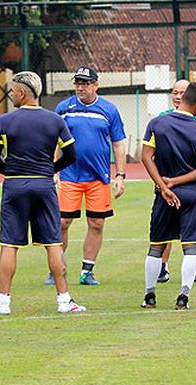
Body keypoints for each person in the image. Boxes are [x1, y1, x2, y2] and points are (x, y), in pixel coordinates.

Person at [0, 71, 85, 315]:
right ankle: (64, 301)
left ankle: (3, 302)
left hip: (15, 187)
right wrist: (50, 169)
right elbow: (71, 155)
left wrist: (12, 172)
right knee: (53, 244)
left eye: (12, 92)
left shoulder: (4, 122)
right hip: (44, 186)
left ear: (21, 93)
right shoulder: (55, 121)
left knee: (9, 244)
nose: (11, 96)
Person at [140, 82, 196, 309]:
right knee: (190, 247)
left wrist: (164, 186)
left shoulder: (156, 124)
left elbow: (145, 157)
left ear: (182, 99)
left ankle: (149, 296)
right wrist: (177, 182)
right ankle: (183, 297)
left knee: (156, 246)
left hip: (164, 195)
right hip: (191, 194)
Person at [53, 66, 126, 286]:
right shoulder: (63, 108)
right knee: (63, 222)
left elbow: (118, 143)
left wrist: (120, 174)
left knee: (96, 223)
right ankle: (57, 266)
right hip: (69, 175)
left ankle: (87, 270)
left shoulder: (109, 110)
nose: (80, 87)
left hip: (98, 177)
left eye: (85, 83)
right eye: (77, 83)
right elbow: (54, 140)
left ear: (96, 85)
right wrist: (54, 169)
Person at [156, 79, 196, 284]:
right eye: (175, 92)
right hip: (166, 181)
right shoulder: (162, 117)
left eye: (182, 92)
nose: (178, 96)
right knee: (164, 225)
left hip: (191, 181)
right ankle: (162, 266)